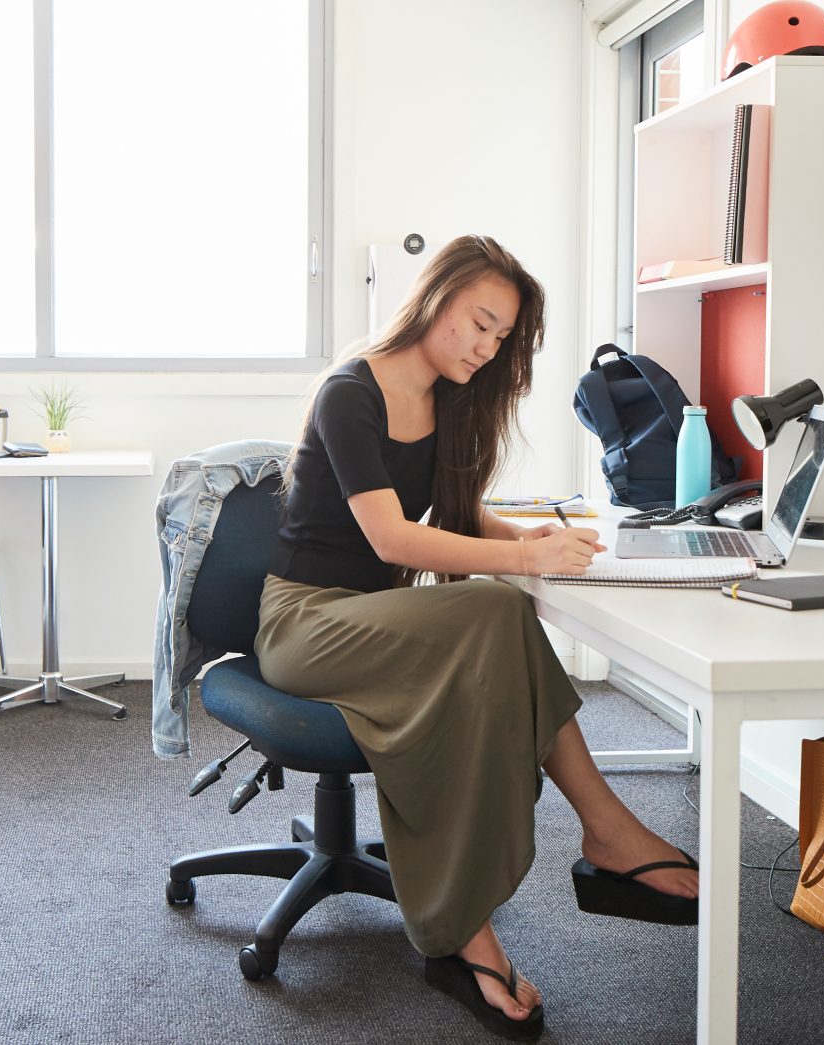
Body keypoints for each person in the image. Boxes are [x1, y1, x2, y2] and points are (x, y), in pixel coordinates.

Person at [256, 234, 698, 1040]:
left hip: (377, 622)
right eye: (479, 323)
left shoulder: (449, 401)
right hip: (306, 622)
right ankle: (583, 845)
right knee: (499, 607)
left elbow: (452, 516)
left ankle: (596, 836)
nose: (486, 348)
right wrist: (522, 556)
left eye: (501, 338)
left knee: (509, 617)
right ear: (435, 298)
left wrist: (536, 532)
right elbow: (392, 537)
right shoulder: (349, 392)